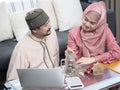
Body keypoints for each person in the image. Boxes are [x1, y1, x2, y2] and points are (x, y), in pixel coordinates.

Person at [6, 8, 59, 81]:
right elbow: (12, 81)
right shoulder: (22, 49)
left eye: (49, 21)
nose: (50, 26)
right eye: (45, 25)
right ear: (34, 30)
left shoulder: (51, 32)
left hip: (56, 80)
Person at [67, 1, 120, 65]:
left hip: (99, 68)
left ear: (99, 24)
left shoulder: (104, 30)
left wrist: (94, 59)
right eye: (86, 19)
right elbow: (73, 61)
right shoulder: (73, 34)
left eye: (92, 23)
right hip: (81, 68)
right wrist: (70, 56)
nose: (87, 24)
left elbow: (117, 53)